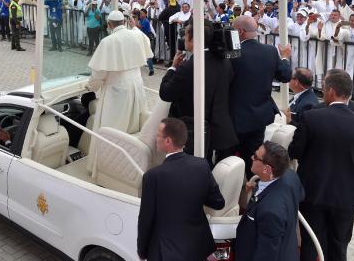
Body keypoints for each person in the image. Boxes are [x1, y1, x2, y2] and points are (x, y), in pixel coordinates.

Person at [288, 69, 354, 261]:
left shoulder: (311, 117)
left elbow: (295, 152)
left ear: (332, 91)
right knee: (339, 246)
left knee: (311, 245)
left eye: (325, 88)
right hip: (346, 196)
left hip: (314, 193)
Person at [137, 118, 225, 261]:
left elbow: (145, 219)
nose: (155, 139)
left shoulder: (152, 177)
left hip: (164, 255)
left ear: (168, 141)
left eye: (158, 136)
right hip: (194, 250)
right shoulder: (202, 165)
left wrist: (141, 250)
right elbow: (218, 202)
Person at [159, 22, 238, 162]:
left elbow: (165, 93)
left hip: (194, 130)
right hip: (219, 126)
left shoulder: (188, 68)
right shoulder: (224, 61)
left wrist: (172, 68)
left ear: (193, 38)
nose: (184, 39)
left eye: (186, 35)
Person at [229, 16, 292, 174]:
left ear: (239, 31)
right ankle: (252, 190)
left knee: (230, 162)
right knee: (253, 159)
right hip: (258, 118)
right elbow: (285, 75)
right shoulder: (270, 51)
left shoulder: (232, 54)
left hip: (233, 119)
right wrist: (284, 57)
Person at [234, 141, 304, 261]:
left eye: (256, 156)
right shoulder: (290, 176)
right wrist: (256, 188)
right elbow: (300, 194)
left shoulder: (270, 211)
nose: (251, 158)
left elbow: (266, 259)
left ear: (267, 169)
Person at [87, 9, 149, 134]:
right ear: (125, 21)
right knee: (134, 126)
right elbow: (145, 40)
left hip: (117, 92)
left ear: (109, 24)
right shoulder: (136, 35)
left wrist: (91, 86)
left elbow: (99, 73)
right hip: (137, 86)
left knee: (114, 130)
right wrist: (134, 26)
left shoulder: (107, 42)